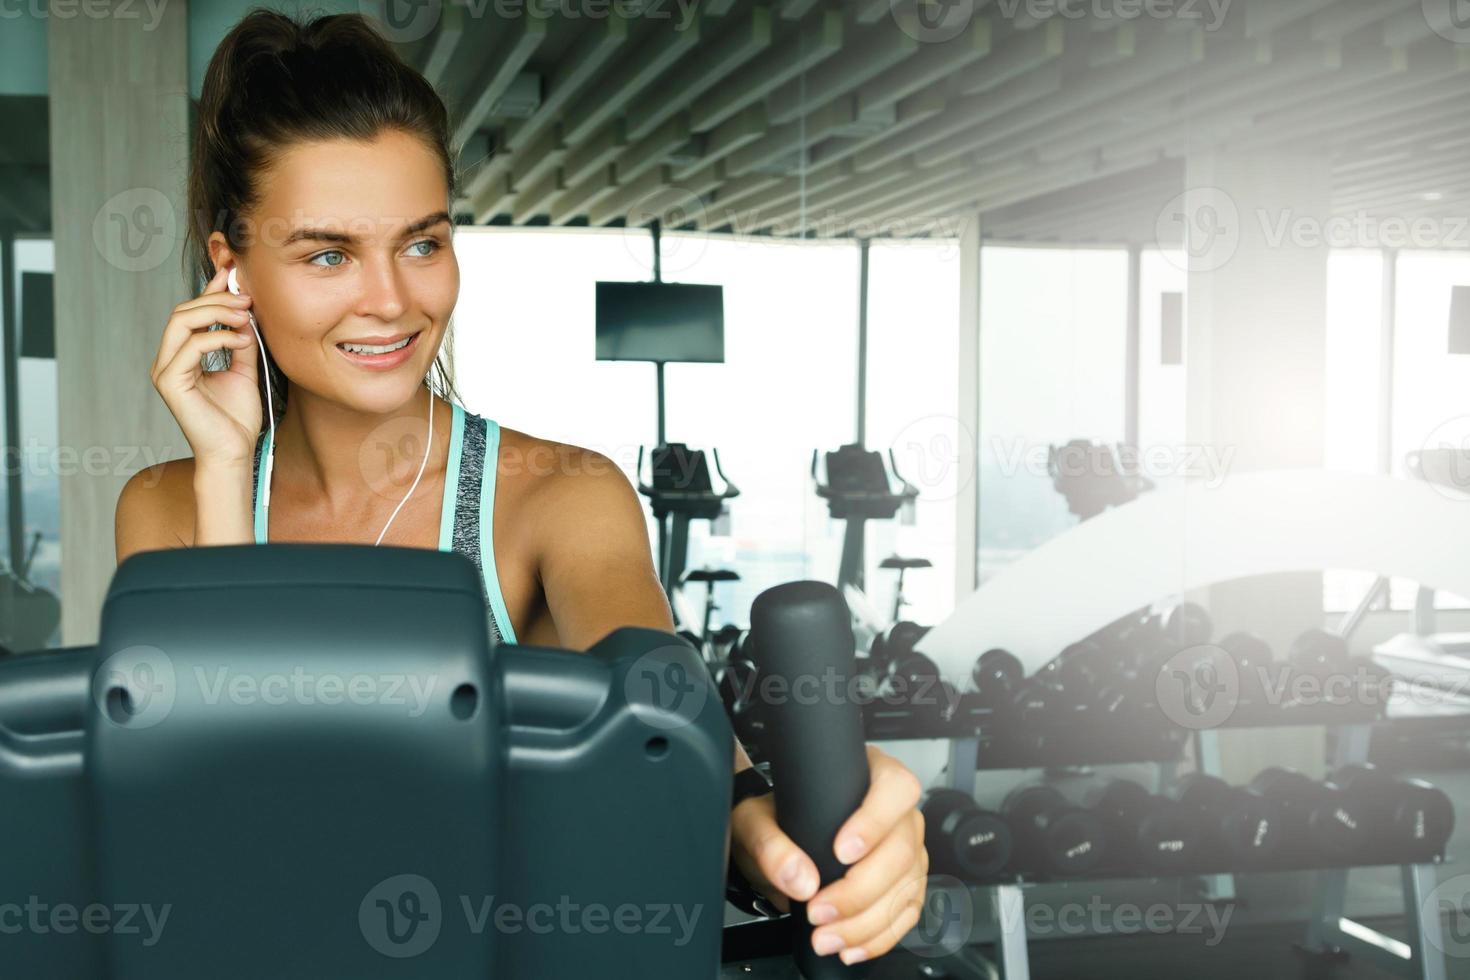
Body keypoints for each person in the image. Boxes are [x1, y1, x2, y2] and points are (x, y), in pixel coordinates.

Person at [114, 9, 928, 965]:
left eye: (421, 243)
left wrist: (788, 832)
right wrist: (223, 468)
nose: (391, 298)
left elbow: (671, 725)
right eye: (328, 253)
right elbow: (203, 820)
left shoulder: (557, 498)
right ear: (232, 267)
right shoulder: (169, 507)